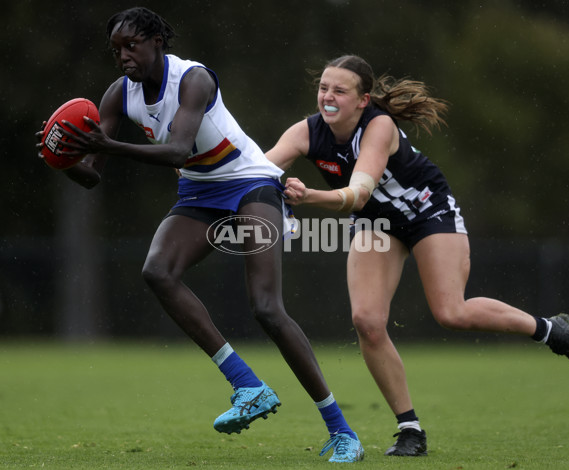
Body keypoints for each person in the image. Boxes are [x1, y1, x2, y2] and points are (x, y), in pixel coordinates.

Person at [35, 9, 364, 463]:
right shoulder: (118, 95)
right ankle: (247, 385)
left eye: (132, 45)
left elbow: (175, 148)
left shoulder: (193, 80)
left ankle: (342, 431)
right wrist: (62, 159)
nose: (123, 56)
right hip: (200, 190)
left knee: (267, 308)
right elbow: (92, 176)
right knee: (158, 271)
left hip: (250, 182)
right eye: (116, 49)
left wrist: (104, 146)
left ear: (156, 42)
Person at [265, 54, 569, 457]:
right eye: (323, 88)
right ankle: (410, 430)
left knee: (450, 312)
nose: (327, 97)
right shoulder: (306, 132)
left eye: (339, 90)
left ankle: (549, 329)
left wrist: (309, 196)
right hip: (377, 225)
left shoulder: (379, 126)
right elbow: (256, 169)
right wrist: (206, 170)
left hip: (426, 210)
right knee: (367, 321)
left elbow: (358, 194)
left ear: (363, 100)